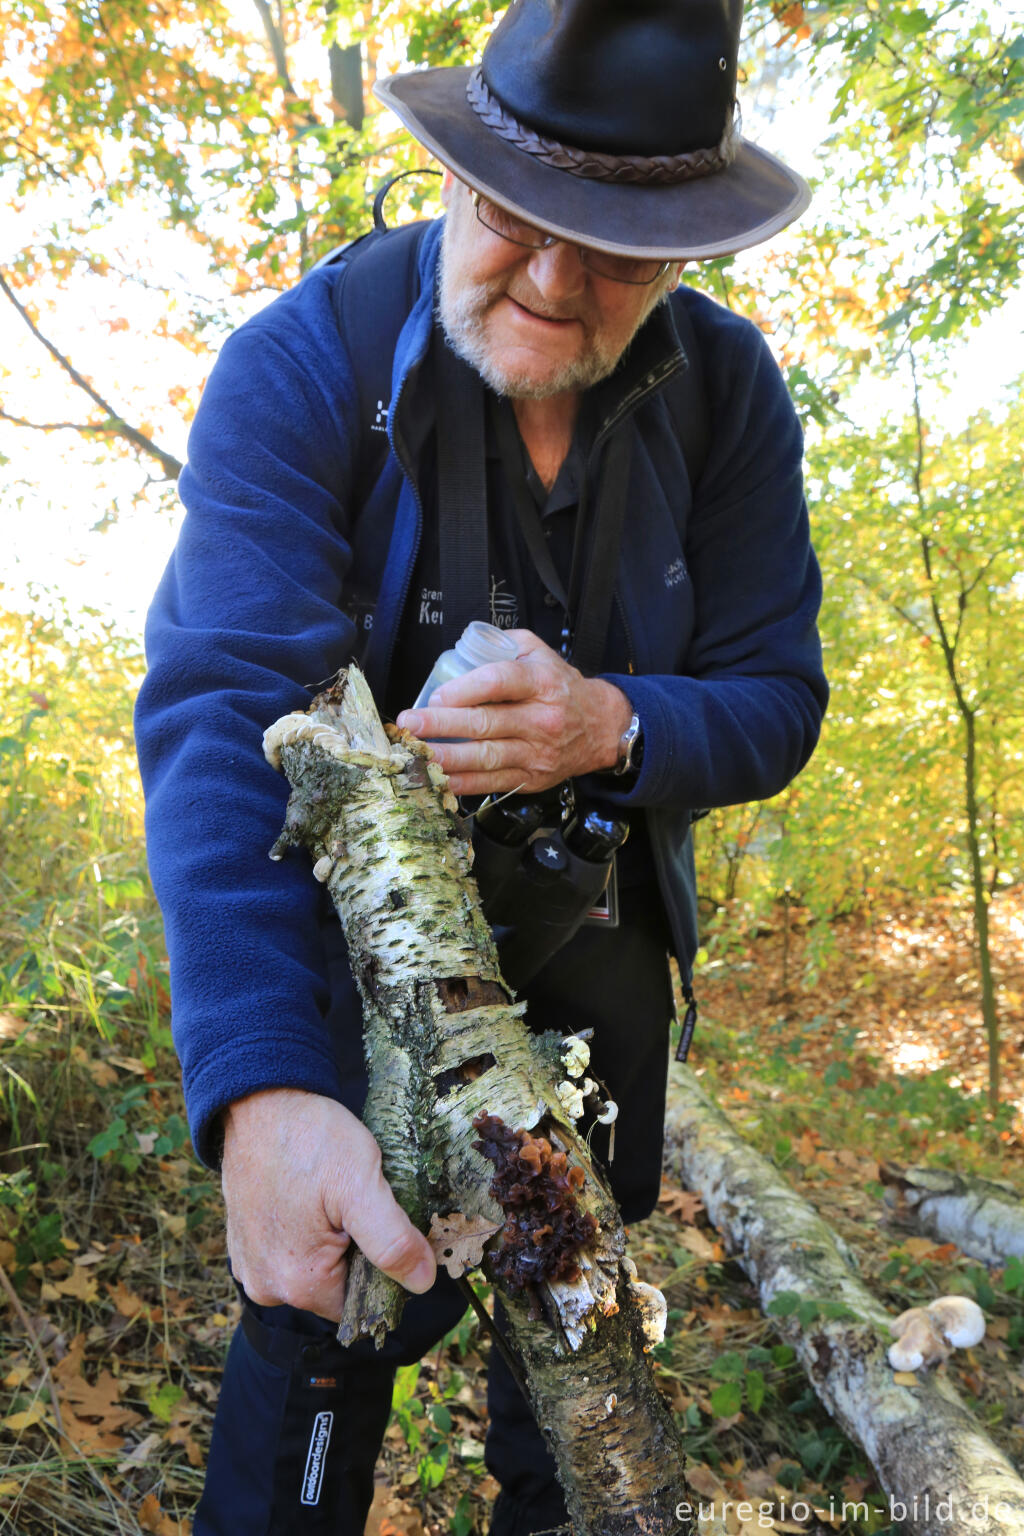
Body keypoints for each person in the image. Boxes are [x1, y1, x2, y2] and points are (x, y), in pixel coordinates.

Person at [135, 1, 829, 1532]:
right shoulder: (307, 360)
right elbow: (214, 707)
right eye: (522, 216)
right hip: (351, 989)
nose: (556, 282)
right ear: (457, 174)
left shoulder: (726, 398)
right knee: (317, 1363)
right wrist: (260, 1089)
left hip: (603, 970)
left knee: (576, 1400)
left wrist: (617, 725)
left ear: (690, 249)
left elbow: (777, 698)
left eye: (621, 248)